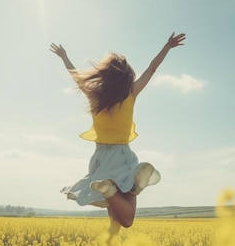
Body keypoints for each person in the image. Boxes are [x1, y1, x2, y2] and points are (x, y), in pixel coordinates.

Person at [50, 32, 186, 237]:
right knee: (128, 219)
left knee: (115, 217)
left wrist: (64, 56)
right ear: (125, 74)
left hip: (99, 159)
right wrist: (167, 46)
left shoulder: (95, 95)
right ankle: (114, 189)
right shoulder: (130, 92)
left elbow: (75, 74)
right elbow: (152, 68)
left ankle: (110, 227)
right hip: (122, 157)